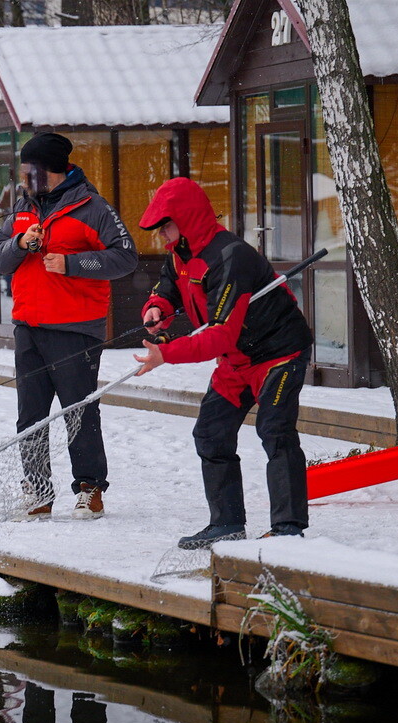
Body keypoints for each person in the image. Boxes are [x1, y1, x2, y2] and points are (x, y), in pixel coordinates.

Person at [132, 177, 314, 548]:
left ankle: (288, 528)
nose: (163, 236)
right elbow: (169, 288)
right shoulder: (179, 254)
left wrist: (166, 352)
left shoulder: (231, 256)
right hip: (236, 361)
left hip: (278, 353)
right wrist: (157, 309)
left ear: (185, 218)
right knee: (210, 433)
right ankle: (226, 524)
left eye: (166, 226)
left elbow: (219, 335)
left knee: (275, 430)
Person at [0, 132, 139, 520]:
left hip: (76, 329)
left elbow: (126, 258)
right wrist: (20, 244)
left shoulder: (94, 208)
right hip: (28, 325)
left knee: (79, 411)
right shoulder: (21, 208)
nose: (23, 177)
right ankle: (38, 491)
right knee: (30, 416)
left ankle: (90, 489)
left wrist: (72, 264)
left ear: (49, 171)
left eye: (29, 170)